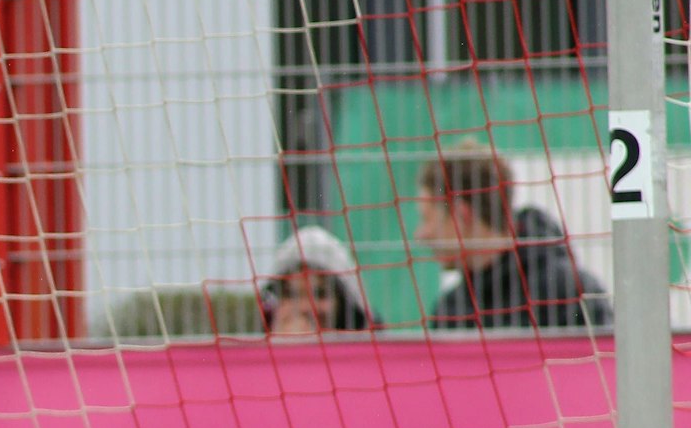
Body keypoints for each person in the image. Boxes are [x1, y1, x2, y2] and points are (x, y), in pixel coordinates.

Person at [412, 141, 611, 331]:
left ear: (461, 215)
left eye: (427, 218)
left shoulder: (567, 294)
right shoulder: (450, 312)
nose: (421, 234)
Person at [260, 225, 372, 335]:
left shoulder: (375, 346)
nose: (305, 307)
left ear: (343, 301)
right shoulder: (252, 345)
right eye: (290, 294)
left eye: (320, 294)